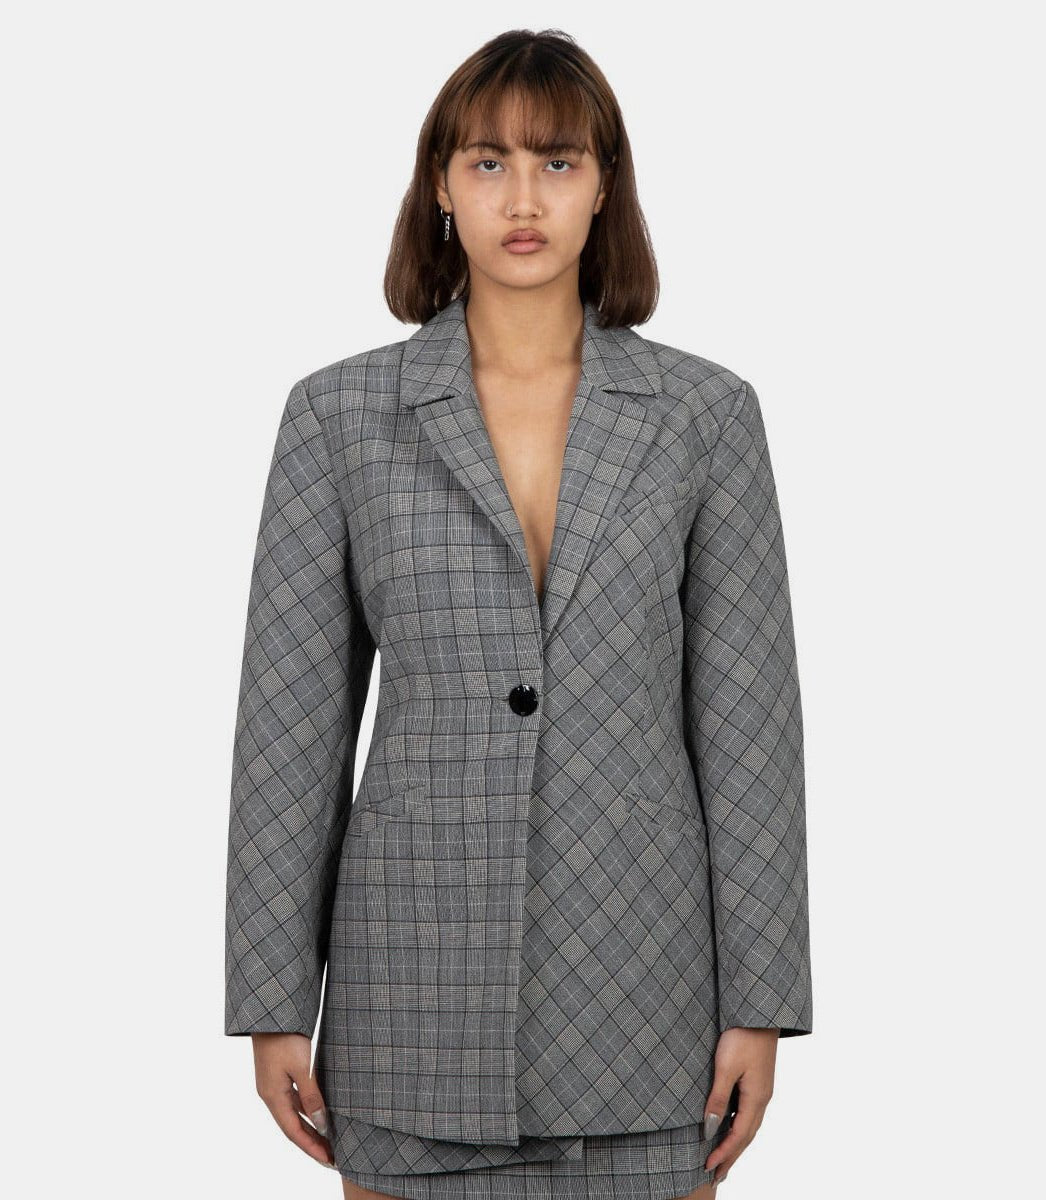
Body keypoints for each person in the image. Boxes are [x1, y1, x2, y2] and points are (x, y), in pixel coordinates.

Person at [224, 27, 813, 1200]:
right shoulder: (340, 417)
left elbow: (748, 729)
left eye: (557, 161)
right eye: (487, 162)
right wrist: (272, 1001)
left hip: (645, 994)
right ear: (441, 187)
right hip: (410, 999)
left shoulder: (704, 416)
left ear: (603, 187)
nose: (523, 198)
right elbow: (289, 729)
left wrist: (762, 1001)